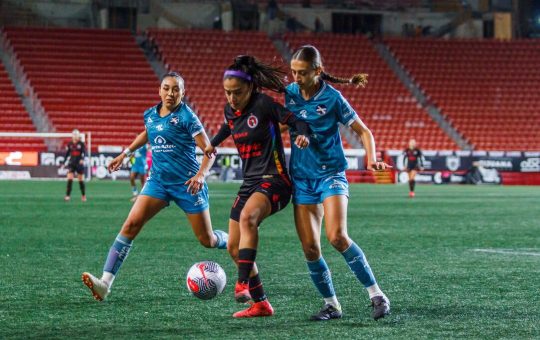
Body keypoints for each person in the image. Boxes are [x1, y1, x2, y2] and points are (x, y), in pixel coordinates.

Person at [81, 72, 228, 301]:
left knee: (207, 240)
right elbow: (148, 133)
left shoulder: (188, 117)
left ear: (182, 93)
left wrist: (200, 176)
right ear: (159, 90)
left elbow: (209, 151)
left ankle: (232, 240)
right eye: (166, 88)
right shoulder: (150, 114)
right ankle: (105, 284)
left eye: (175, 89)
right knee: (131, 225)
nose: (170, 93)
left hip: (187, 185)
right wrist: (125, 154)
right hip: (158, 182)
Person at [285, 45, 392, 321]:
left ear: (317, 71)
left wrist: (372, 159)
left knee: (336, 236)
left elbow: (363, 131)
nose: (296, 77)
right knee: (310, 248)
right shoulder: (290, 95)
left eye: (302, 73)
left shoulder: (333, 98)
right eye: (293, 72)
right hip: (302, 178)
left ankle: (377, 295)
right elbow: (284, 123)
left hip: (331, 174)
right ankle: (331, 305)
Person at [205, 55, 310, 318]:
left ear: (251, 87)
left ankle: (242, 284)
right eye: (227, 93)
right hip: (249, 182)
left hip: (275, 179)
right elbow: (228, 125)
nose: (231, 98)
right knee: (233, 247)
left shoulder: (264, 105)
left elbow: (296, 120)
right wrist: (213, 143)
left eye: (237, 92)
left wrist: (304, 135)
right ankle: (262, 303)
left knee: (247, 218)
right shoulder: (230, 109)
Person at [63, 129, 86, 202]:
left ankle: (83, 195)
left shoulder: (81, 144)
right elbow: (67, 153)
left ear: (78, 136)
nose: (75, 136)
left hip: (79, 164)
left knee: (81, 181)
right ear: (72, 136)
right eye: (74, 135)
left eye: (76, 135)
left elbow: (84, 152)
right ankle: (67, 195)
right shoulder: (69, 144)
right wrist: (64, 162)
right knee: (69, 179)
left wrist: (82, 159)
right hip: (71, 163)